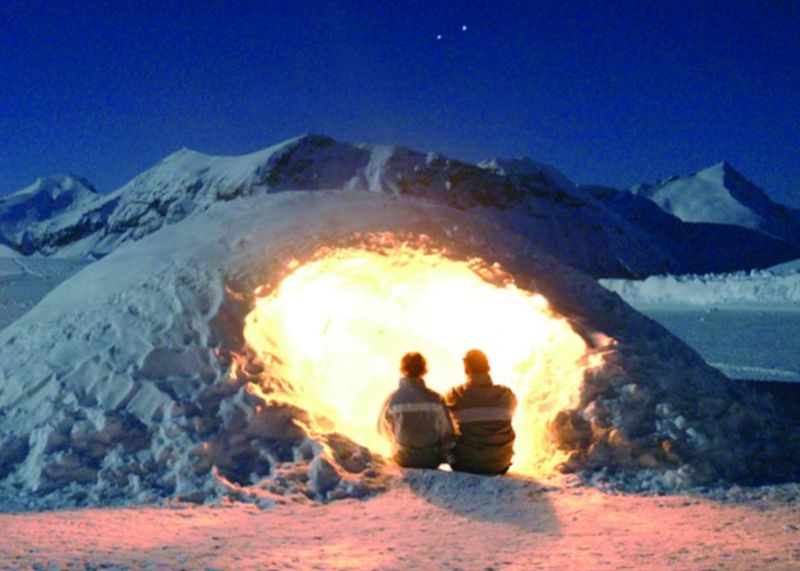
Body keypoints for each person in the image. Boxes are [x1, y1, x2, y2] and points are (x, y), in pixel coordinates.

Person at [445, 349, 517, 475]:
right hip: (500, 464)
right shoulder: (506, 394)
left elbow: (442, 422)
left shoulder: (454, 395)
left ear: (466, 369)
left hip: (464, 463)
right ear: (488, 367)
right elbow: (511, 414)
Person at [378, 352, 455, 469]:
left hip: (403, 457)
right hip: (431, 458)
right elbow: (447, 432)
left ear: (402, 369)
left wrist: (399, 440)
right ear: (424, 370)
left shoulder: (393, 399)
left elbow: (381, 430)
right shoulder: (436, 399)